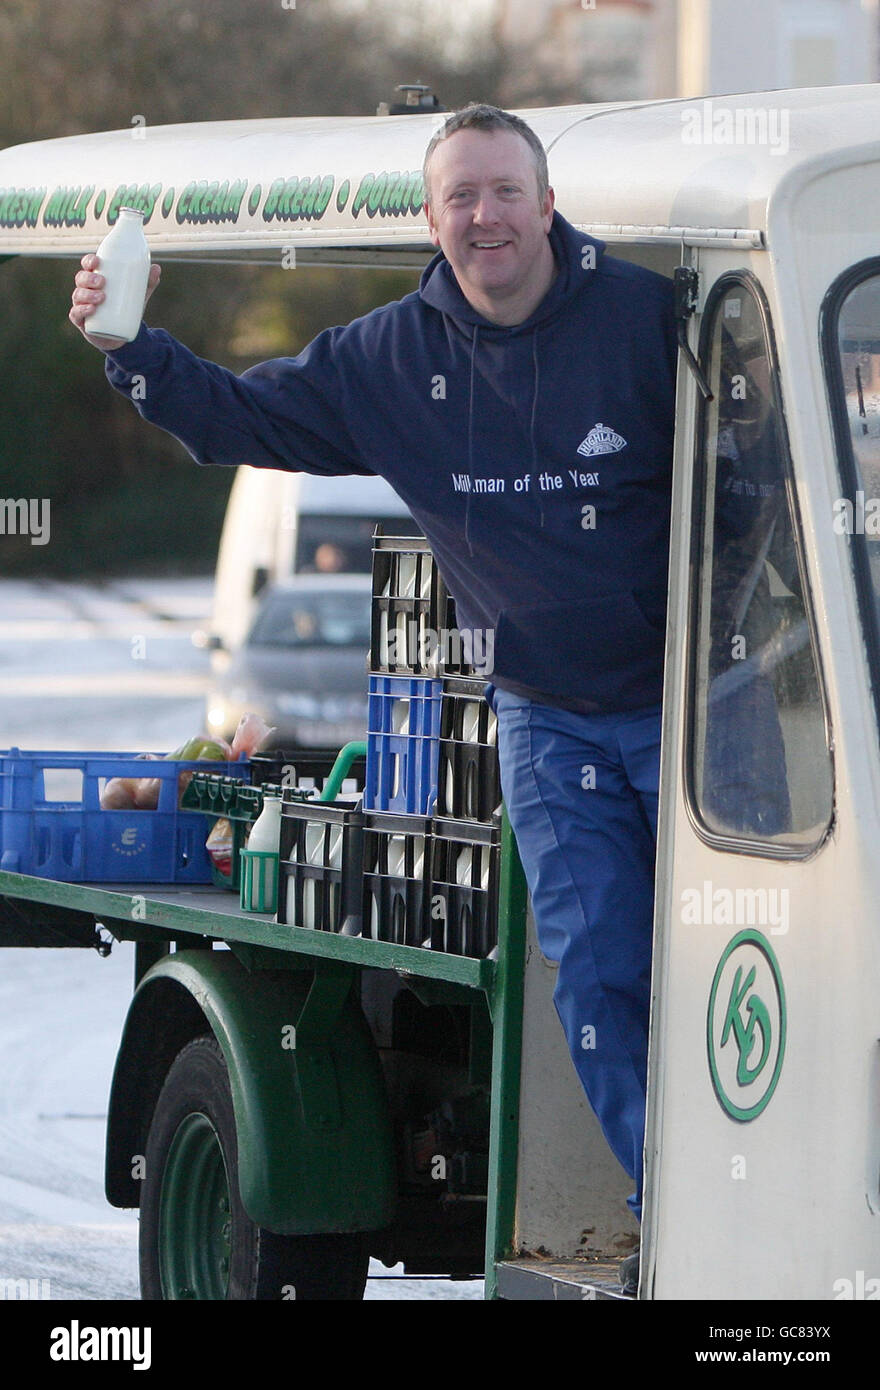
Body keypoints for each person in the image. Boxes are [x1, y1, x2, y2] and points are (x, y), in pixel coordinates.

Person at [69, 103, 677, 1295]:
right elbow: (237, 416)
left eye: (506, 191)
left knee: (753, 956)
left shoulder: (650, 320)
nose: (486, 215)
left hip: (700, 712)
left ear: (547, 203)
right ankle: (670, 1212)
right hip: (549, 720)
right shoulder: (390, 359)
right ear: (433, 217)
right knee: (599, 975)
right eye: (462, 196)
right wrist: (131, 348)